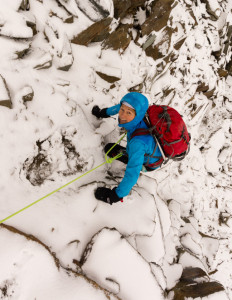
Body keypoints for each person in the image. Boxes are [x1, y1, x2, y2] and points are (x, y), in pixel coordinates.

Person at [92, 92, 162, 205]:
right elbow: (118, 108)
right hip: (149, 149)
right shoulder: (142, 114)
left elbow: (132, 174)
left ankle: (141, 165)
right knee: (110, 149)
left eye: (128, 113)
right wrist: (102, 113)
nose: (122, 115)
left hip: (149, 162)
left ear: (137, 115)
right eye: (122, 110)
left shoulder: (137, 144)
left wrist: (114, 196)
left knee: (110, 149)